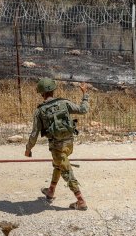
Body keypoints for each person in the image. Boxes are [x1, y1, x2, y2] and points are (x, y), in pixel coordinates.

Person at [24, 78, 90, 210]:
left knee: (66, 171)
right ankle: (51, 191)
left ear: (41, 93)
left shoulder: (40, 111)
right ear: (54, 90)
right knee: (58, 165)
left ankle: (81, 201)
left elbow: (34, 134)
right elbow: (83, 109)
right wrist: (85, 94)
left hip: (56, 146)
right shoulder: (64, 103)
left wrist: (28, 149)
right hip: (69, 143)